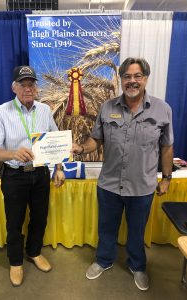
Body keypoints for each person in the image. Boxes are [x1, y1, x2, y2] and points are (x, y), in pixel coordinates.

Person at [73, 57, 173, 291]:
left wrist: (166, 178)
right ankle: (103, 260)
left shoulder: (162, 109)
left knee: (137, 232)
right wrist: (81, 148)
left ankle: (138, 266)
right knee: (106, 228)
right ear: (121, 79)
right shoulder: (108, 107)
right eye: (127, 76)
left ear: (145, 79)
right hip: (109, 185)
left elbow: (167, 146)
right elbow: (96, 140)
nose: (132, 81)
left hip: (142, 186)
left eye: (137, 76)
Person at [0, 66, 65, 287]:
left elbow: (56, 140)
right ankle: (16, 262)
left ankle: (34, 252)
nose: (28, 88)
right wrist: (12, 153)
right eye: (23, 84)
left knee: (40, 217)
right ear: (14, 87)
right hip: (14, 175)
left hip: (40, 173)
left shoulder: (45, 110)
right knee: (15, 222)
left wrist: (58, 168)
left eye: (31, 84)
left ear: (36, 87)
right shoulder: (1, 112)